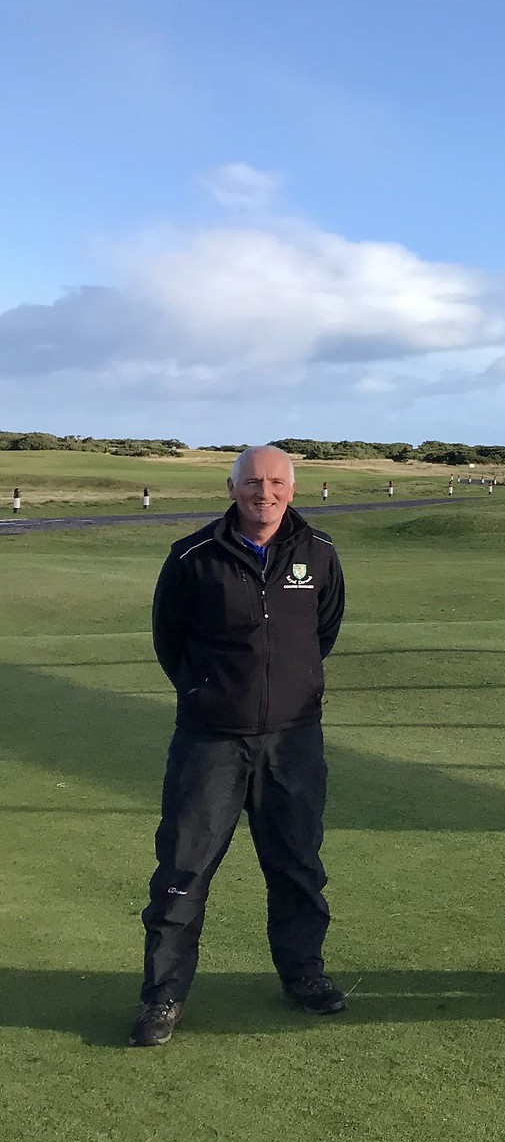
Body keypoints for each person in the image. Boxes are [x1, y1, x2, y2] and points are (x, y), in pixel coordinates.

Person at [130, 445, 347, 1047]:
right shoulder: (193, 557)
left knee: (297, 864)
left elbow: (322, 633)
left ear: (292, 490)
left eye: (276, 482)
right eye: (253, 481)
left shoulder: (319, 554)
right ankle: (164, 996)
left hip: (294, 739)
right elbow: (170, 642)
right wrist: (214, 695)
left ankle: (303, 975)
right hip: (211, 742)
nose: (265, 491)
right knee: (183, 868)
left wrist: (283, 694)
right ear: (231, 488)